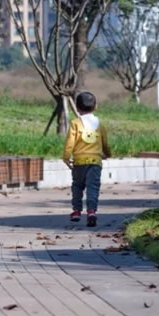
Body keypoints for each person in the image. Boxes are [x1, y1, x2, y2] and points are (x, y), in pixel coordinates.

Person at [62, 92, 111, 227]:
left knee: (77, 186)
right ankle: (91, 212)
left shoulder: (75, 123)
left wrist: (66, 157)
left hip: (79, 162)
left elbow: (70, 142)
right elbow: (105, 142)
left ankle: (77, 211)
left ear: (77, 108)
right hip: (95, 163)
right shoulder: (99, 124)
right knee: (93, 188)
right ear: (96, 107)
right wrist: (107, 154)